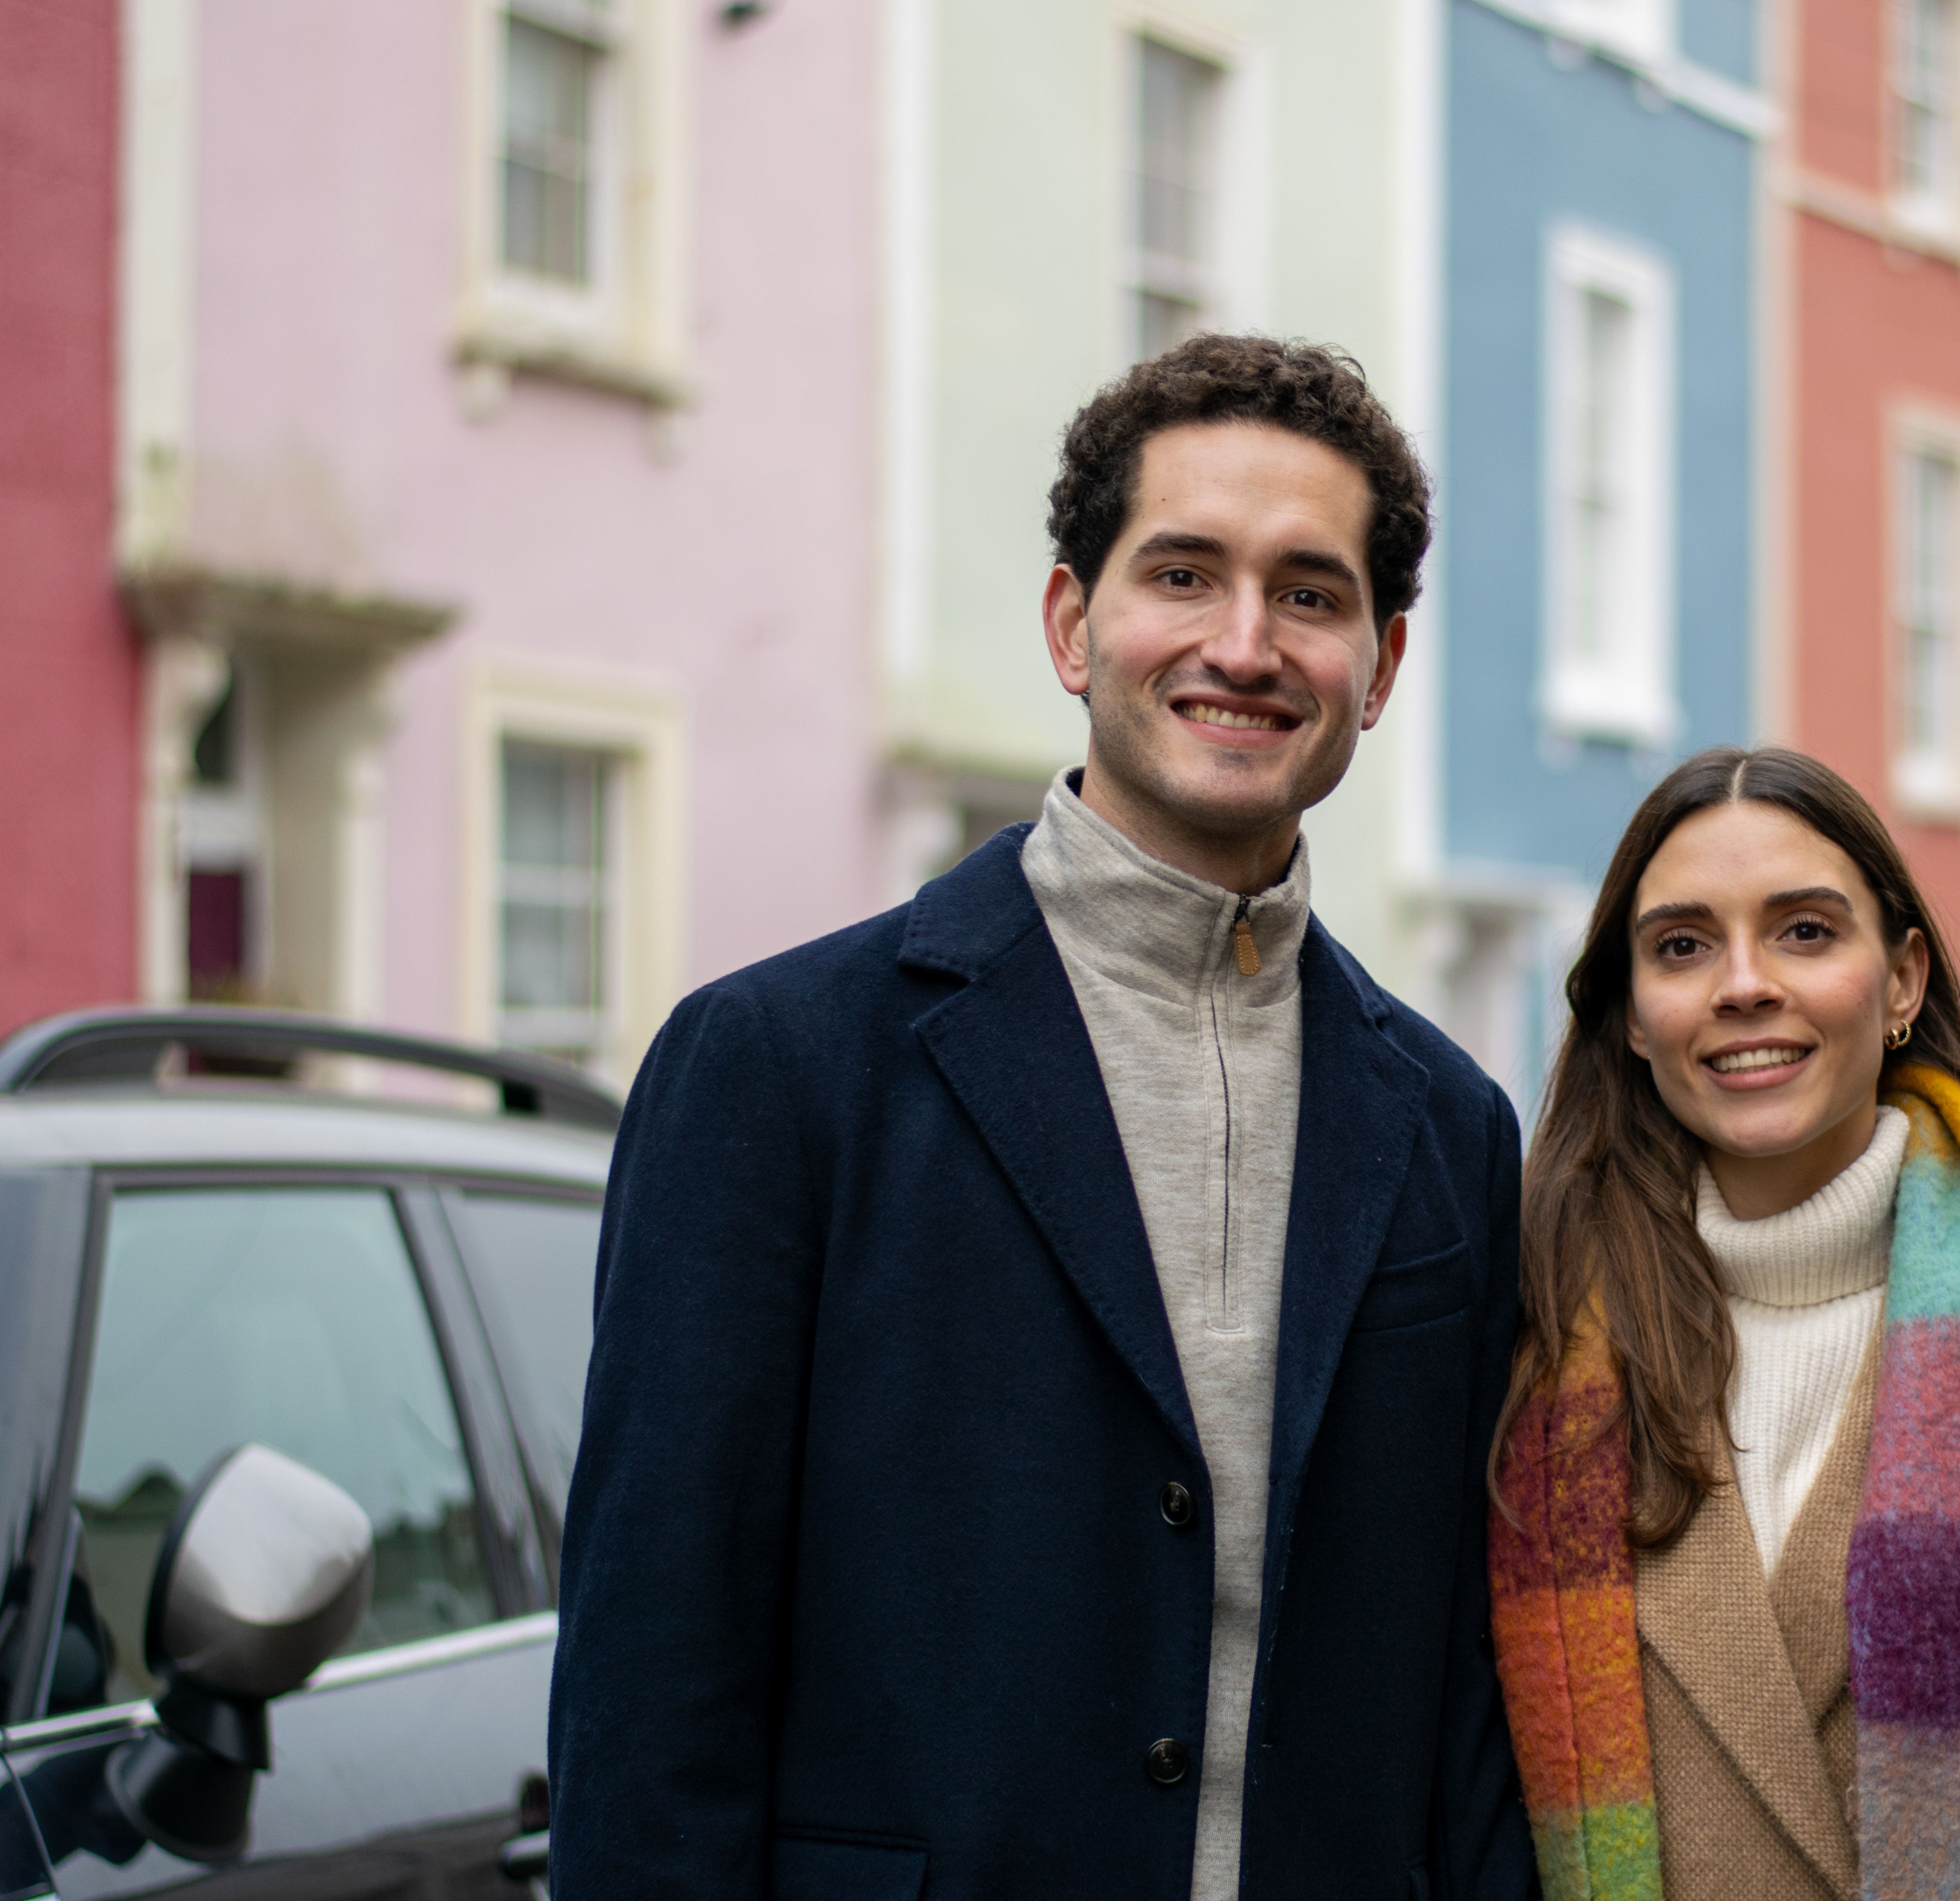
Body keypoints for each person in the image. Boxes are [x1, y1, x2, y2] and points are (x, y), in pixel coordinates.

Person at [550, 334, 1537, 1900]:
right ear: (1076, 625)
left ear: (1384, 664)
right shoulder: (778, 1068)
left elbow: (1473, 1697)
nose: (1244, 642)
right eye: (1184, 574)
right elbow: (654, 1677)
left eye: (1308, 593)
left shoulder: (1451, 1126)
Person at [1488, 747, 1960, 1901]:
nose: (1743, 983)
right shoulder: (1531, 1365)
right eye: (1684, 945)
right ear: (1632, 1016)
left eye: (1805, 931)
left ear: (1901, 980)